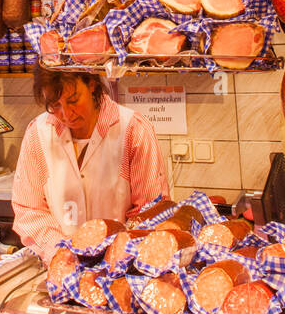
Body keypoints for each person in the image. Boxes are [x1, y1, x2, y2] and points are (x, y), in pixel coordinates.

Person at [11, 65, 168, 262]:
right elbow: (29, 209)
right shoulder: (38, 133)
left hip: (121, 266)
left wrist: (120, 252)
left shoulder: (133, 130)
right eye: (54, 105)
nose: (67, 114)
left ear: (92, 84)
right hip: (60, 265)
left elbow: (152, 210)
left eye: (73, 100)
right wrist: (59, 251)